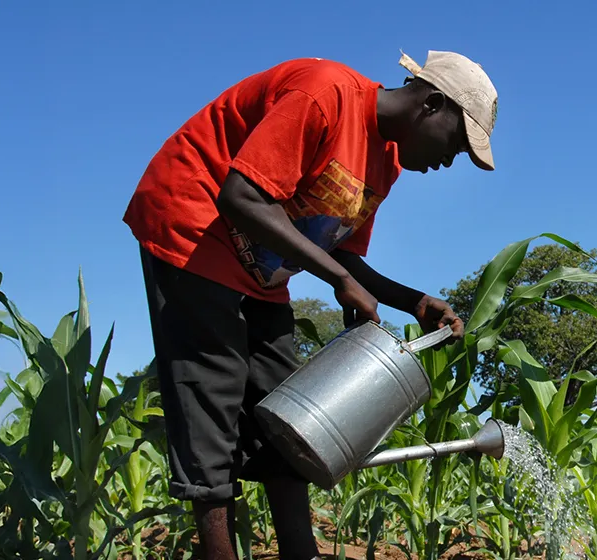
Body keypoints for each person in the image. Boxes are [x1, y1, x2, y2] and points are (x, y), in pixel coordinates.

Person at [122, 49, 499, 560]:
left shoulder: (384, 163)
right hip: (195, 227)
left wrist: (413, 301)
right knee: (212, 388)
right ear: (432, 104)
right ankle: (217, 550)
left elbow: (337, 250)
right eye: (456, 143)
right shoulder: (324, 93)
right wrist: (338, 278)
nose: (449, 161)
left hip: (261, 264)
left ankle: (300, 550)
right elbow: (241, 197)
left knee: (286, 398)